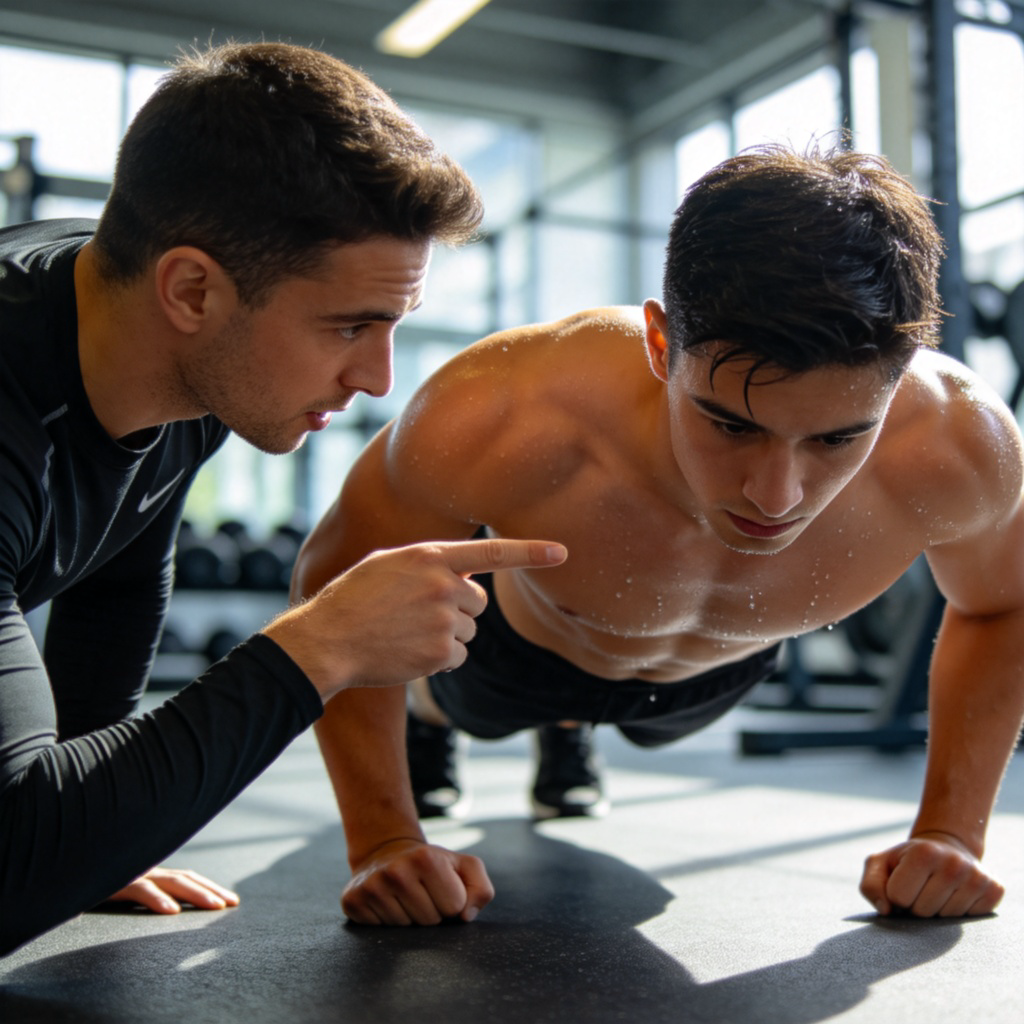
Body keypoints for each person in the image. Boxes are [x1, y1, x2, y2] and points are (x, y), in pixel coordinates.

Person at [292, 143, 1024, 928]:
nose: (775, 497)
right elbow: (339, 583)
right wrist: (384, 840)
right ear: (658, 343)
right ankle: (447, 728)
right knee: (447, 696)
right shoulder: (505, 407)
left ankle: (571, 735)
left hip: (716, 675)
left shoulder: (962, 446)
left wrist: (951, 834)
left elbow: (1000, 606)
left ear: (903, 371)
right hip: (522, 646)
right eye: (728, 423)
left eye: (837, 440)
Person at [0, 41, 566, 957]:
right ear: (191, 289)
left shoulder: (173, 343)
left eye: (391, 328)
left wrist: (98, 834)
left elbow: (121, 567)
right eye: (349, 326)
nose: (377, 380)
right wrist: (323, 644)